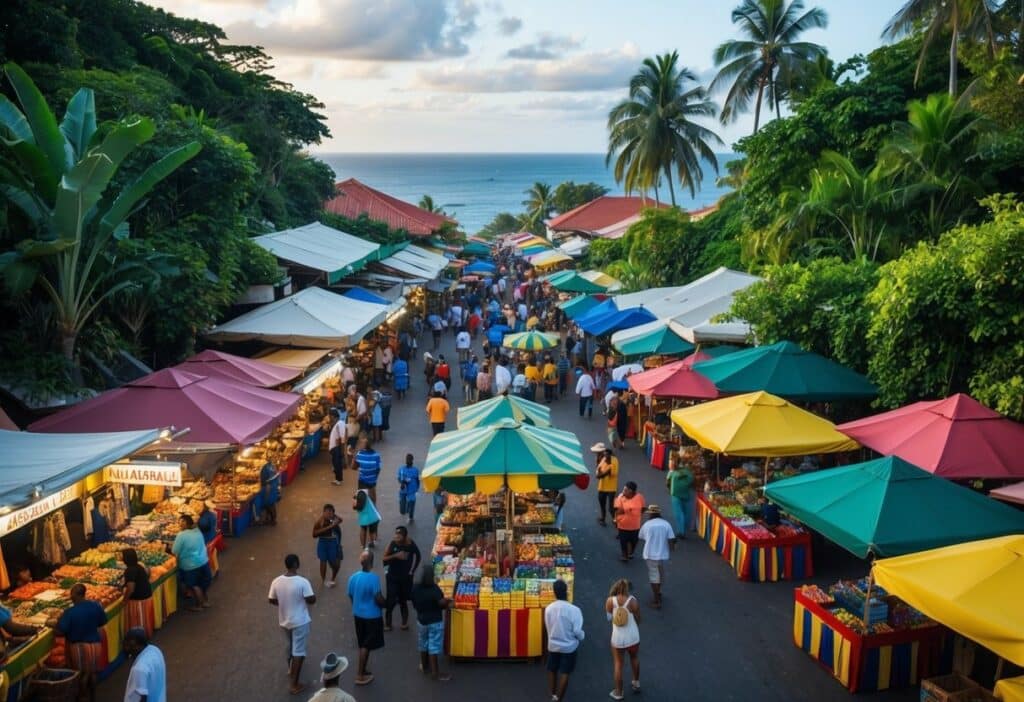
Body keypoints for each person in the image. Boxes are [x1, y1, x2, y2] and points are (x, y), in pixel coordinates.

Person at [269, 554, 317, 695]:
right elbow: (312, 599)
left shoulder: (276, 581)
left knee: (291, 644)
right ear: (296, 564)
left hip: (284, 621)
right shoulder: (302, 582)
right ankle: (294, 684)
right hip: (300, 621)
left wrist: (282, 603)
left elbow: (271, 599)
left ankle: (291, 669)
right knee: (299, 652)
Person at [53, 584, 107, 702]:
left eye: (72, 594)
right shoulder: (96, 606)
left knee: (81, 674)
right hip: (95, 646)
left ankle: (81, 697)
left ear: (77, 595)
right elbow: (103, 621)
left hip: (79, 648)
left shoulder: (70, 612)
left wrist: (55, 624)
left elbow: (59, 632)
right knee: (92, 673)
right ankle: (93, 696)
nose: (70, 597)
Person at [347, 550, 386, 686]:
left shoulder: (353, 577)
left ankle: (363, 670)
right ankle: (360, 675)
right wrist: (386, 604)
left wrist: (356, 607)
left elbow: (350, 594)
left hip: (358, 615)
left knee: (363, 642)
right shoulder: (373, 578)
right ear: (372, 562)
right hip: (372, 617)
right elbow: (378, 598)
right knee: (366, 645)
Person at [544, 579, 584, 702]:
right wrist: (581, 637)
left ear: (554, 593)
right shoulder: (575, 610)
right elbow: (578, 631)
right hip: (569, 646)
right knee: (565, 672)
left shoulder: (549, 609)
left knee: (552, 669)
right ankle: (559, 699)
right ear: (566, 592)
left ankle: (553, 695)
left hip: (553, 645)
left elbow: (548, 626)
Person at [410, 565, 452, 682]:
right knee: (433, 646)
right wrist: (448, 601)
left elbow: (413, 601)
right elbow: (441, 603)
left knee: (423, 643)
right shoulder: (434, 589)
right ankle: (435, 673)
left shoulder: (415, 588)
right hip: (435, 621)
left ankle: (424, 666)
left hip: (421, 620)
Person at [605, 579, 641, 699]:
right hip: (633, 637)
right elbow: (639, 619)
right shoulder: (633, 601)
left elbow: (609, 618)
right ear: (627, 589)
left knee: (618, 664)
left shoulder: (610, 601)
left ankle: (619, 692)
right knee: (634, 658)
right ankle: (636, 682)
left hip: (617, 639)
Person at [382, 526, 421, 631]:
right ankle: (388, 624)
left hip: (405, 578)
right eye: (396, 534)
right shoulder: (392, 544)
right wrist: (395, 556)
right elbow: (384, 558)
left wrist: (412, 571)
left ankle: (404, 623)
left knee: (403, 600)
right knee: (391, 600)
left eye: (399, 535)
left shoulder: (410, 544)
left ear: (404, 536)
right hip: (392, 577)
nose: (396, 537)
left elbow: (418, 556)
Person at [637, 505, 675, 609]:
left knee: (654, 576)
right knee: (660, 574)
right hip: (663, 555)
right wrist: (671, 549)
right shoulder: (666, 524)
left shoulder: (647, 525)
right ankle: (658, 591)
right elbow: (671, 539)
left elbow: (641, 537)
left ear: (652, 514)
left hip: (650, 554)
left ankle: (656, 599)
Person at [171, 514, 211, 610]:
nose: (180, 525)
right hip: (203, 561)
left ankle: (199, 605)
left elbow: (174, 551)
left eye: (181, 523)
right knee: (202, 583)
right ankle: (205, 601)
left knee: (194, 585)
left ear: (185, 524)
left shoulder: (181, 535)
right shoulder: (198, 531)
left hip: (190, 565)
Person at [123, 628, 167, 702]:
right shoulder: (155, 650)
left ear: (135, 646)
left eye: (127, 644)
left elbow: (142, 698)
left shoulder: (139, 669)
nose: (125, 648)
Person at [122, 548, 155, 637]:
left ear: (125, 559)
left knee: (138, 620)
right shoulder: (139, 566)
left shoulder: (130, 570)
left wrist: (125, 599)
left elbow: (131, 588)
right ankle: (146, 632)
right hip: (147, 595)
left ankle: (139, 636)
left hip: (139, 599)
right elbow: (148, 573)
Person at [613, 482, 645, 563]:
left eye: (625, 490)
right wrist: (616, 520)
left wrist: (637, 513)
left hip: (635, 525)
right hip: (623, 525)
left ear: (631, 491)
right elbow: (617, 510)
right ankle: (624, 555)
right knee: (623, 541)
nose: (623, 491)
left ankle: (630, 553)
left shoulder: (639, 497)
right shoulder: (620, 497)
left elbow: (643, 508)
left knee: (634, 541)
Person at [312, 505, 343, 587]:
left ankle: (333, 578)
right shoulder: (319, 522)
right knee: (323, 561)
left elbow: (341, 520)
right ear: (323, 512)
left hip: (333, 542)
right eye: (326, 512)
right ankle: (324, 580)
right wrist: (331, 526)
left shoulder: (334, 519)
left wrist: (334, 517)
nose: (328, 514)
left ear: (333, 513)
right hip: (322, 542)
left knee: (335, 564)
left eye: (331, 512)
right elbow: (314, 534)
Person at [666, 459, 695, 539]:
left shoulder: (672, 472)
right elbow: (692, 480)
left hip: (675, 494)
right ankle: (686, 527)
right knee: (686, 512)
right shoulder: (687, 472)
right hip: (686, 494)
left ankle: (681, 531)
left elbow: (667, 482)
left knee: (678, 513)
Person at [592, 444, 619, 526]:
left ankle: (616, 522)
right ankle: (603, 518)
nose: (605, 458)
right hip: (602, 487)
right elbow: (598, 470)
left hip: (611, 488)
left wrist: (599, 472)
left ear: (611, 456)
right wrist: (598, 463)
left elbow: (599, 476)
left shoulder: (614, 463)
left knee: (611, 508)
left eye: (607, 456)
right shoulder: (604, 459)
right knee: (602, 504)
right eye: (604, 456)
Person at [355, 440, 381, 504]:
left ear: (363, 445)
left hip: (362, 481)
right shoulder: (376, 455)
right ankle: (373, 510)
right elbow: (378, 469)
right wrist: (375, 478)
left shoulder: (359, 454)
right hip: (372, 481)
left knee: (362, 501)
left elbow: (353, 467)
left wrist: (354, 455)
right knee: (373, 500)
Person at [397, 454, 421, 523]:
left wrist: (417, 488)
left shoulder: (415, 470)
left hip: (412, 490)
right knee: (402, 511)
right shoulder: (401, 469)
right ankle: (406, 507)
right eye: (407, 459)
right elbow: (399, 478)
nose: (408, 461)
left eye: (409, 459)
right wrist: (402, 482)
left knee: (411, 503)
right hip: (403, 490)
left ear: (412, 460)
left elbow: (417, 480)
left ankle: (411, 517)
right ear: (405, 460)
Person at [329, 410, 348, 485]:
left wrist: (342, 451)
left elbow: (342, 437)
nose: (330, 418)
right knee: (336, 463)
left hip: (337, 447)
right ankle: (337, 479)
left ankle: (338, 479)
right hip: (335, 448)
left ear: (333, 416)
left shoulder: (340, 424)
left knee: (337, 464)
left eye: (330, 416)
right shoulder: (337, 424)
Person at [259, 460, 281, 525]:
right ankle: (269, 518)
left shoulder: (265, 468)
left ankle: (273, 520)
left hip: (269, 488)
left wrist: (267, 491)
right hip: (272, 486)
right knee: (270, 504)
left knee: (269, 504)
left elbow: (266, 480)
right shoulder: (270, 466)